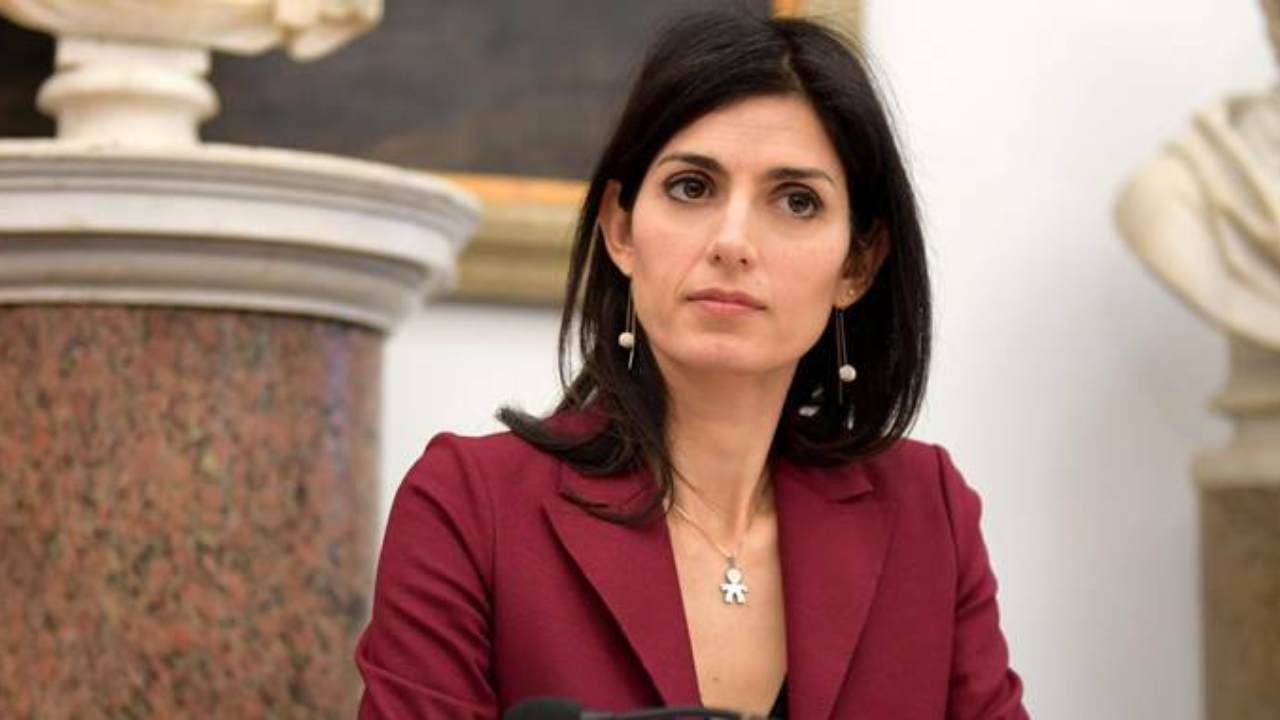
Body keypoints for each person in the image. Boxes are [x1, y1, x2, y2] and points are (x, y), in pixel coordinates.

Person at [355, 10, 1028, 719]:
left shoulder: (929, 514)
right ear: (621, 228)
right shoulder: (470, 506)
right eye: (692, 188)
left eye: (797, 201)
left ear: (857, 265)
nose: (733, 241)